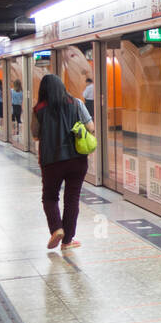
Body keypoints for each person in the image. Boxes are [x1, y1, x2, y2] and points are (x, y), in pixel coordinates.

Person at [32, 73, 94, 250]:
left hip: (51, 161)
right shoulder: (76, 103)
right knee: (72, 199)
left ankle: (56, 229)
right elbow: (91, 127)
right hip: (77, 159)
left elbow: (35, 136)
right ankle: (67, 241)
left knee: (50, 197)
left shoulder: (38, 110)